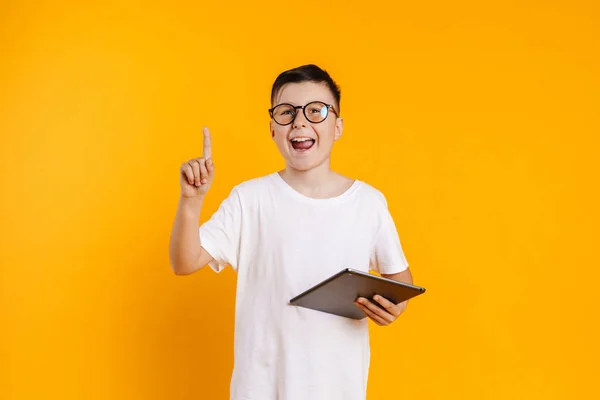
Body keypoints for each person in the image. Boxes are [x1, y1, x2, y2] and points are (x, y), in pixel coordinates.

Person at [169, 64, 414, 400]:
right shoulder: (249, 199)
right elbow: (185, 262)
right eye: (287, 112)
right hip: (258, 390)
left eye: (316, 111)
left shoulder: (368, 203)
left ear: (338, 126)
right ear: (272, 128)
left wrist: (392, 308)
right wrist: (191, 201)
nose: (300, 121)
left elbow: (400, 283)